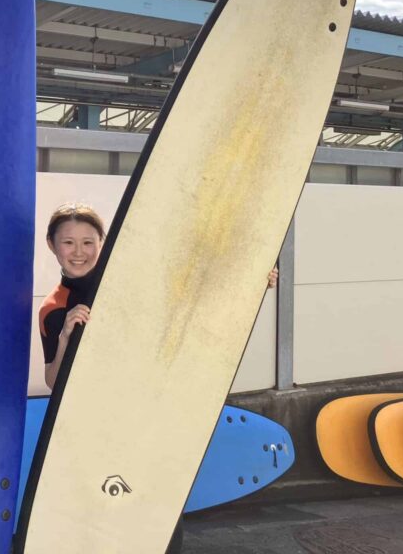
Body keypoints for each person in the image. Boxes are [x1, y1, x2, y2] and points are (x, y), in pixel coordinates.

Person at [37, 202, 280, 554]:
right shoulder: (54, 307)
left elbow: (193, 303)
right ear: (52, 245)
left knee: (157, 513)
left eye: (88, 242)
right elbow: (53, 381)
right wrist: (64, 338)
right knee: (103, 516)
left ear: (102, 242)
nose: (78, 252)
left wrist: (254, 283)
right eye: (68, 242)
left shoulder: (127, 284)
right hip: (93, 428)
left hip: (147, 417)